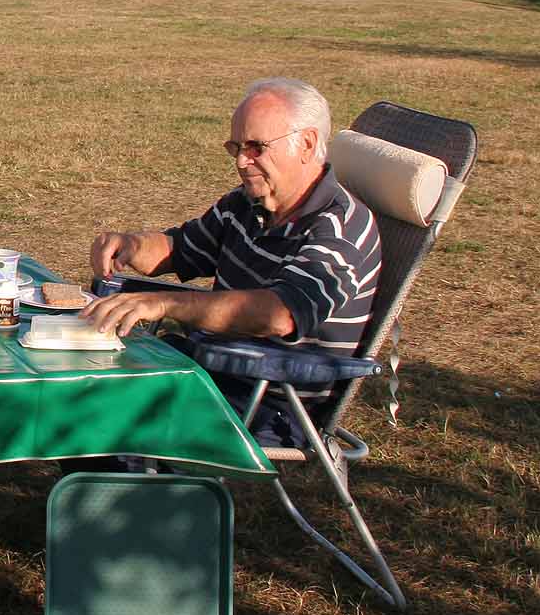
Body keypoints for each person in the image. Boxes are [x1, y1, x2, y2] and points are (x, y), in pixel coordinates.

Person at [80, 77, 382, 447]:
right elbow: (181, 248)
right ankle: (96, 495)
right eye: (235, 147)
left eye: (256, 147)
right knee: (84, 388)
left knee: (107, 411)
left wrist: (163, 303)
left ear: (306, 144)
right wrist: (128, 244)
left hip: (272, 399)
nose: (241, 161)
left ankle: (135, 498)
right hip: (214, 369)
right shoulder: (248, 203)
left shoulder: (342, 227)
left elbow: (279, 314)